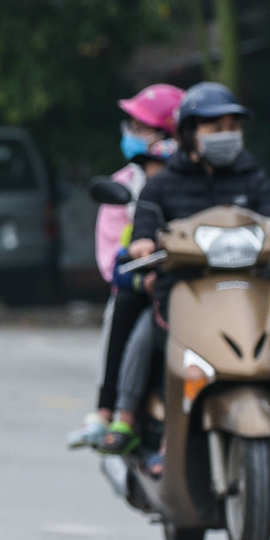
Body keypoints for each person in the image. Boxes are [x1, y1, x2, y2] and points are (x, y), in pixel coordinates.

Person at [98, 82, 270, 465]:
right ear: (189, 132)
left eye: (233, 127)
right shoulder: (162, 185)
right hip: (186, 290)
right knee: (149, 336)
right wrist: (144, 245)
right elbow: (145, 228)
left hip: (248, 288)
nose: (226, 136)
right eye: (214, 128)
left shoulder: (251, 178)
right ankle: (131, 416)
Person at [69, 84, 181, 449]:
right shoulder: (125, 187)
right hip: (141, 282)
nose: (131, 133)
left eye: (140, 126)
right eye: (131, 124)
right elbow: (111, 259)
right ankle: (112, 411)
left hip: (195, 281)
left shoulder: (205, 179)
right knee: (130, 312)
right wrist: (140, 269)